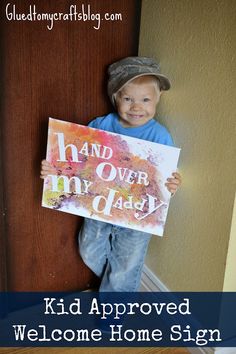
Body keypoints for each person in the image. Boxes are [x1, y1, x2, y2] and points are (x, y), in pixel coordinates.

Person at [40, 57, 182, 292]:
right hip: (98, 205)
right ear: (115, 97)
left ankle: (114, 308)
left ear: (158, 98)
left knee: (126, 264)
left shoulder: (160, 136)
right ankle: (119, 284)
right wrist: (54, 169)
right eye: (127, 99)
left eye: (145, 99)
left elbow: (163, 181)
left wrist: (172, 184)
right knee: (88, 249)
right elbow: (78, 161)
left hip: (137, 217)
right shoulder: (100, 125)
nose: (136, 107)